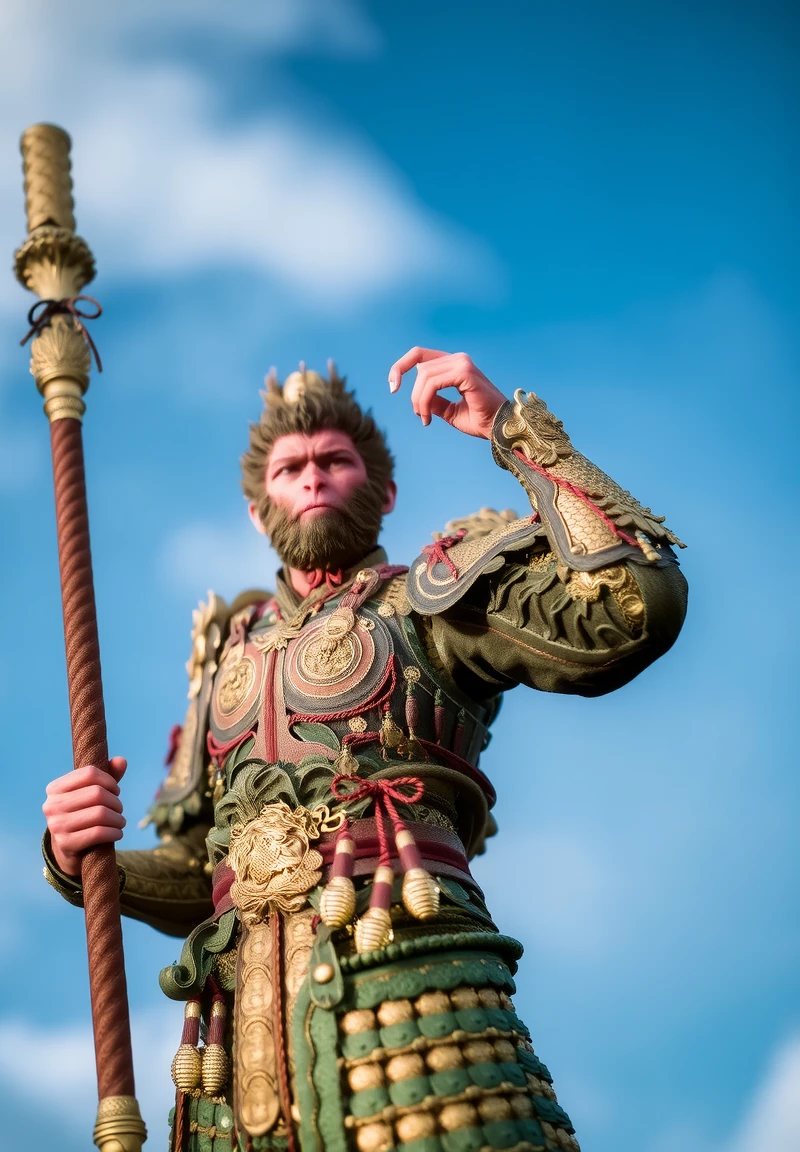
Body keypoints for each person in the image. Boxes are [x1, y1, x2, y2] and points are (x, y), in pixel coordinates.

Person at [43, 349, 687, 1152]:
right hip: (238, 1057)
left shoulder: (431, 599)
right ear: (258, 509)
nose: (311, 476)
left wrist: (515, 436)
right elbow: (197, 874)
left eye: (333, 460)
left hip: (415, 1013)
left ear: (383, 491)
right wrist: (80, 861)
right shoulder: (225, 657)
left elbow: (632, 611)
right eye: (290, 468)